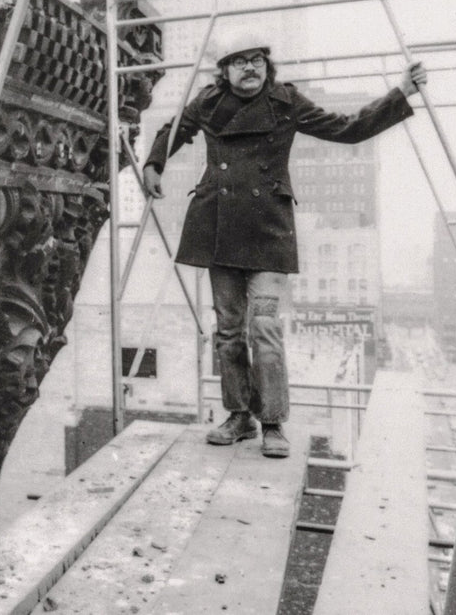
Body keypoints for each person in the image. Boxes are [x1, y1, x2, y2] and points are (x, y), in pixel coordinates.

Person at [142, 30, 427, 458]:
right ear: (224, 71)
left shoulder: (285, 102)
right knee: (228, 332)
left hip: (268, 235)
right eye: (239, 61)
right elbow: (174, 129)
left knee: (266, 326)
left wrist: (400, 92)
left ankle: (272, 422)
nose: (250, 67)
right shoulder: (208, 102)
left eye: (257, 59)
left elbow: (347, 129)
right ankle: (239, 416)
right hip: (219, 229)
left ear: (267, 65)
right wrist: (153, 163)